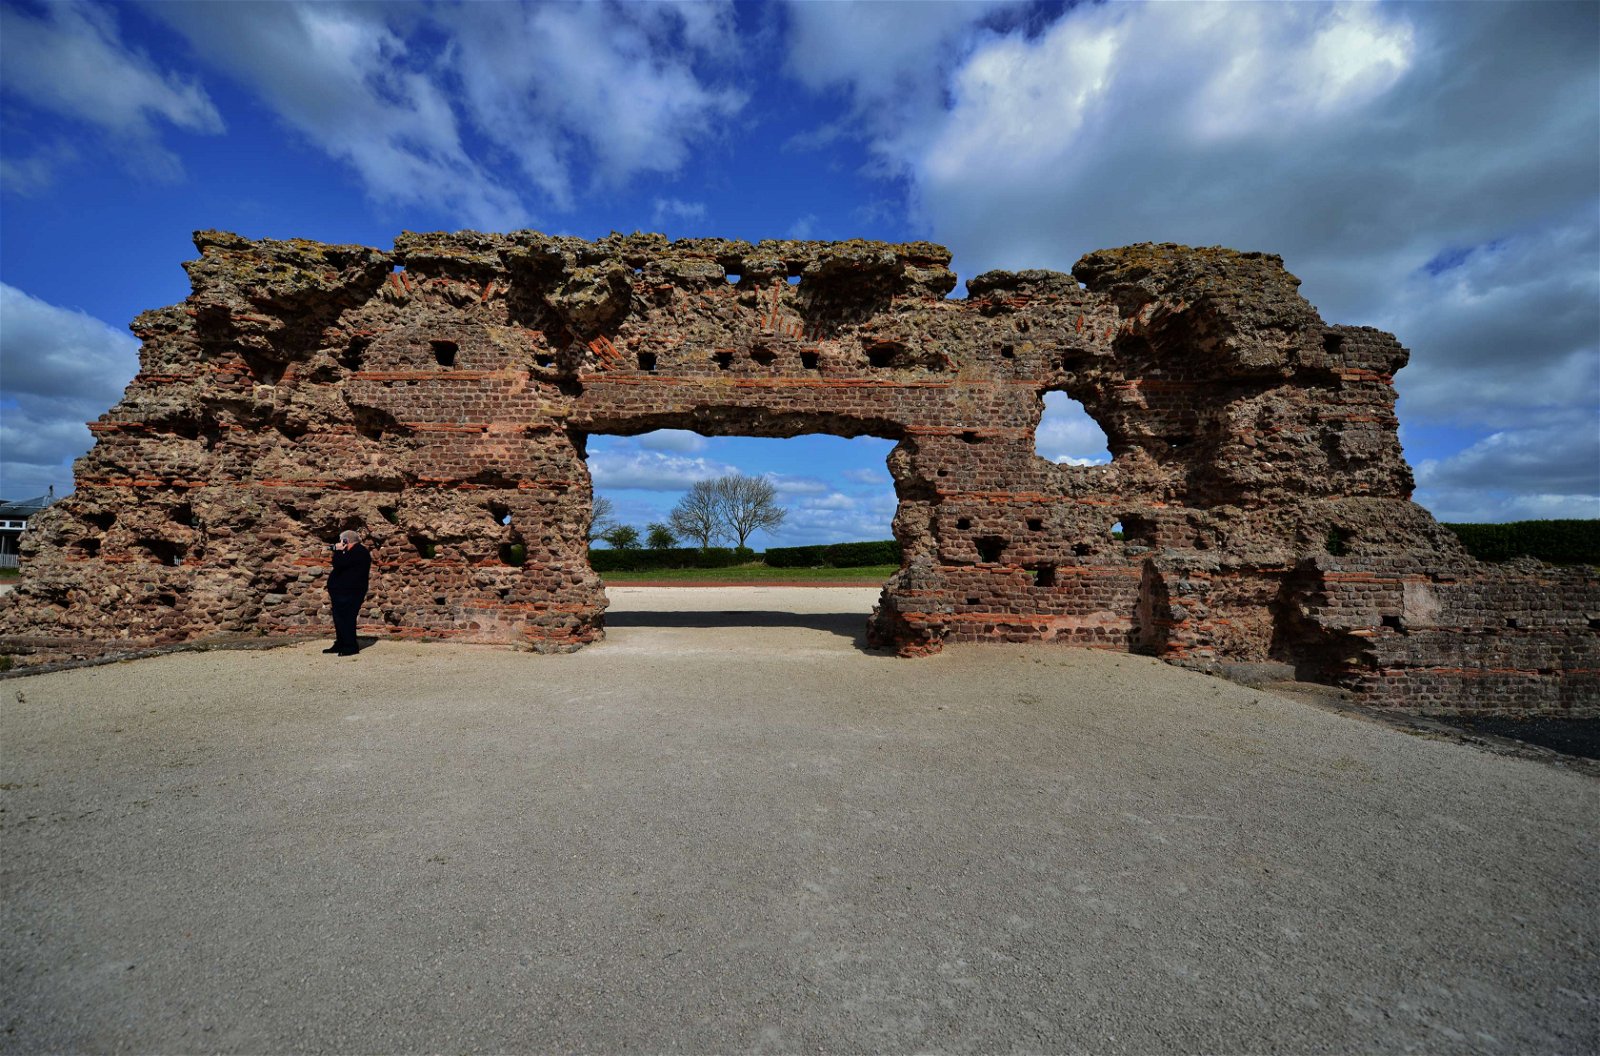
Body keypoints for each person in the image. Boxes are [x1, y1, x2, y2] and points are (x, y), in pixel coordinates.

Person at [324, 528, 371, 656]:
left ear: (346, 540)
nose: (339, 543)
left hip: (351, 592)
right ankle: (341, 643)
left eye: (341, 541)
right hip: (341, 592)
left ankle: (350, 646)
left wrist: (339, 551)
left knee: (347, 618)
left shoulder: (359, 552)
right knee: (339, 618)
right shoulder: (350, 552)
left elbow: (339, 564)